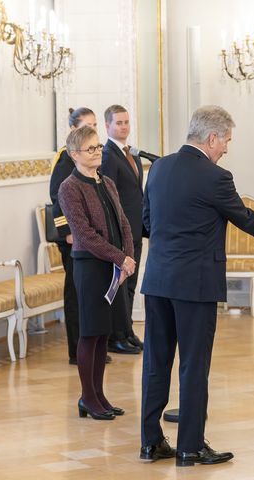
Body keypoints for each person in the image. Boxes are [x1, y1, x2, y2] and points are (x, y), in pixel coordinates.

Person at [139, 105, 254, 467]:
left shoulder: (159, 168)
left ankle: (150, 443)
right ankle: (190, 447)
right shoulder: (216, 177)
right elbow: (249, 222)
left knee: (156, 362)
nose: (227, 148)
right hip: (195, 284)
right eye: (226, 140)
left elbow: (146, 223)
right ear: (212, 138)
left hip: (158, 280)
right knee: (193, 365)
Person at [58, 125, 136, 421]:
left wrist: (127, 255)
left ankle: (100, 395)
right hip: (90, 266)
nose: (97, 152)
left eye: (98, 147)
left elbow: (123, 222)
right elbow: (85, 235)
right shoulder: (69, 187)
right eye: (90, 149)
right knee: (90, 332)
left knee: (104, 331)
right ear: (74, 154)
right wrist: (120, 257)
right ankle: (88, 398)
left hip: (113, 264)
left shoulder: (106, 182)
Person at [49, 107, 110, 366]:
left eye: (95, 124)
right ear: (74, 129)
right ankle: (76, 349)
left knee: (90, 295)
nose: (93, 129)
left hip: (87, 238)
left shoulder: (91, 159)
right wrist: (68, 233)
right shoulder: (66, 159)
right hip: (73, 239)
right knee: (76, 295)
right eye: (88, 124)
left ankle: (92, 346)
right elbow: (57, 200)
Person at [101, 104, 144, 354]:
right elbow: (110, 196)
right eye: (118, 123)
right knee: (119, 285)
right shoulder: (108, 155)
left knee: (130, 284)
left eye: (126, 122)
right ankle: (116, 335)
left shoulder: (133, 153)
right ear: (108, 126)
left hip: (136, 229)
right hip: (120, 232)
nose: (124, 127)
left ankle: (128, 332)